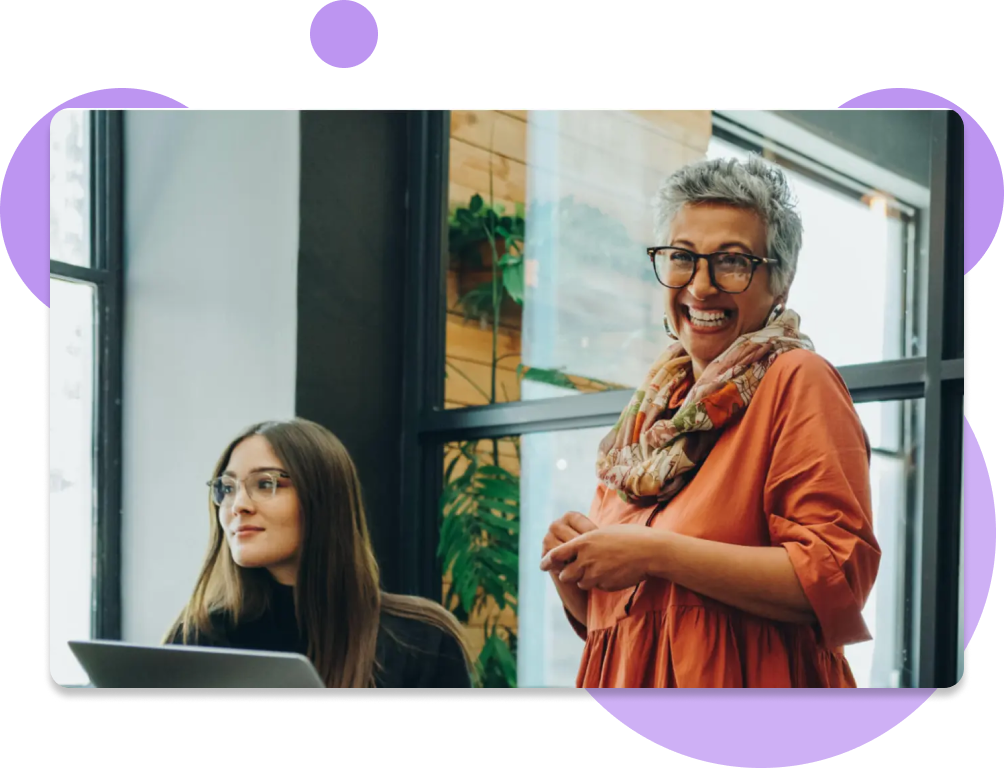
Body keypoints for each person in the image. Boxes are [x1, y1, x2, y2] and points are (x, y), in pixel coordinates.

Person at [539, 155, 881, 688]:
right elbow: (640, 627)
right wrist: (576, 572)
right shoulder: (646, 422)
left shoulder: (797, 380)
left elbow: (834, 578)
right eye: (682, 258)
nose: (700, 287)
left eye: (732, 262)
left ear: (781, 283)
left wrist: (653, 554)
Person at [165, 417, 474, 689]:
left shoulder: (422, 640)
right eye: (228, 487)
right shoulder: (200, 635)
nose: (237, 505)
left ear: (323, 499)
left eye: (266, 483)